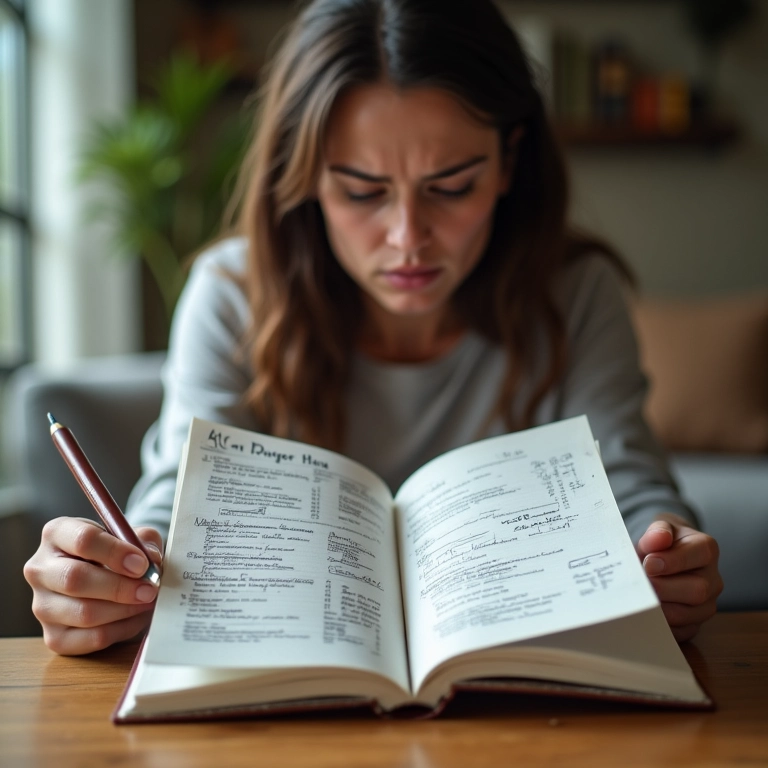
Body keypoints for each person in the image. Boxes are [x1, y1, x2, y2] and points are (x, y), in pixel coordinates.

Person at [24, 0, 722, 656]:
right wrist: (111, 575)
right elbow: (178, 506)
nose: (408, 238)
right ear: (305, 177)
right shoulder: (232, 294)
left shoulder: (575, 294)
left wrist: (664, 555)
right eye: (361, 191)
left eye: (451, 186)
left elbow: (629, 487)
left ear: (509, 161)